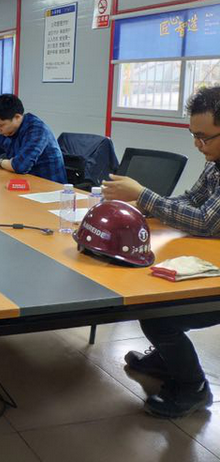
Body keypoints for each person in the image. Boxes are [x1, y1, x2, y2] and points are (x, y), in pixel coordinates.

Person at [102, 85, 220, 418]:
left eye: (204, 137)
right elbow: (192, 199)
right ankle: (168, 359)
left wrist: (144, 195)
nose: (197, 144)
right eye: (193, 135)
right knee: (153, 294)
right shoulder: (215, 162)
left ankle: (194, 388)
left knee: (160, 315)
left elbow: (206, 222)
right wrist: (147, 206)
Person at [0, 93, 66, 183]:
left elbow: (20, 166)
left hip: (49, 185)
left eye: (0, 125)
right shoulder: (7, 131)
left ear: (17, 117)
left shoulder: (37, 129)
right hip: (24, 182)